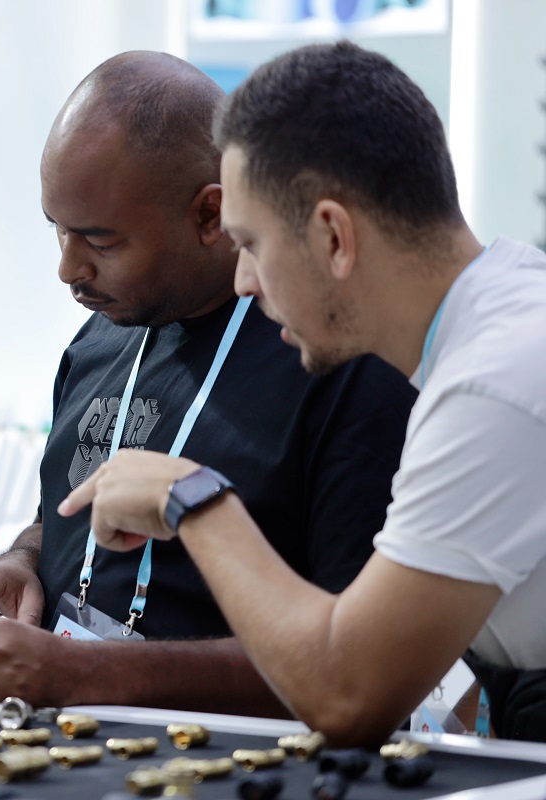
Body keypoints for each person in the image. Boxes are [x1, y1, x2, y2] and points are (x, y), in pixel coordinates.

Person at [0, 51, 416, 717]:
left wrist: (83, 673)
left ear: (210, 216)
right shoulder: (99, 338)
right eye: (57, 230)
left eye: (100, 242)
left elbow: (350, 664)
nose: (67, 268)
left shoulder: (338, 367)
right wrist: (17, 563)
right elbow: (57, 518)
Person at [63, 41, 546, 745]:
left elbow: (349, 692)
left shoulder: (491, 384)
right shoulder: (503, 320)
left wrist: (191, 497)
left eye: (251, 245)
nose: (243, 282)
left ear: (333, 237)